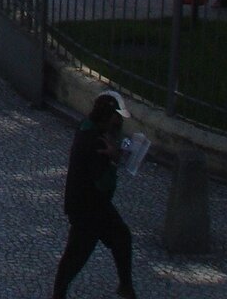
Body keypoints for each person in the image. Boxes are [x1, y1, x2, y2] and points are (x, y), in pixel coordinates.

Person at [52, 89, 138, 299]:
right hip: (88, 211)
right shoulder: (97, 145)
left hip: (90, 206)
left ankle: (126, 287)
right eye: (117, 119)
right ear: (109, 118)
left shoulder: (86, 128)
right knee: (75, 257)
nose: (119, 124)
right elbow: (105, 184)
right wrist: (115, 161)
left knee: (121, 237)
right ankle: (58, 296)